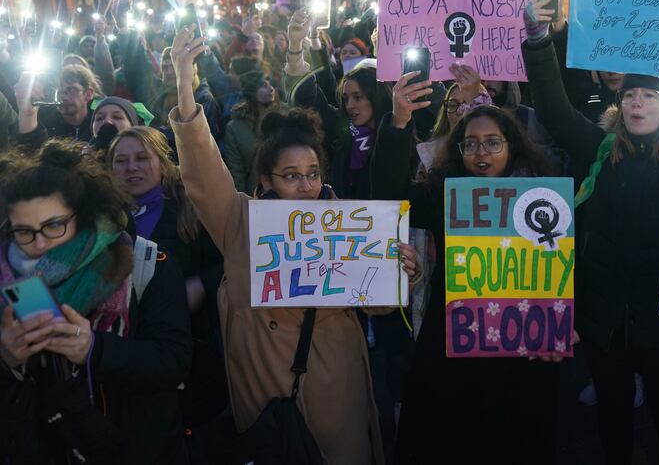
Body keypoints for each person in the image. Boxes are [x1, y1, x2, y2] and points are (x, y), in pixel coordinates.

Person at [166, 25, 419, 464]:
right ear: (265, 180)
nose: (306, 185)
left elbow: (376, 305)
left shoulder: (347, 221)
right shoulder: (240, 220)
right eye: (291, 175)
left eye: (313, 172)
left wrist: (403, 274)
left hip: (334, 380)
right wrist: (185, 87)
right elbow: (204, 172)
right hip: (265, 387)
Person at [522, 0, 659, 463]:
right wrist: (539, 42)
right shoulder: (598, 149)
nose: (638, 102)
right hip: (606, 324)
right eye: (631, 97)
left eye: (650, 96)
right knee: (613, 419)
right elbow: (555, 109)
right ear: (621, 106)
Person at [372, 80, 563, 464]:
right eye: (471, 143)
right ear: (458, 150)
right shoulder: (444, 194)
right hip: (452, 342)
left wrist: (560, 321)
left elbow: (559, 267)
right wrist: (397, 124)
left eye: (493, 142)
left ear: (512, 146)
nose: (481, 152)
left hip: (519, 345)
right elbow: (391, 191)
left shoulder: (542, 200)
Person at [0, 139, 191, 464]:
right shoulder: (7, 277)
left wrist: (95, 349)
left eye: (53, 225)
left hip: (133, 447)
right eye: (24, 232)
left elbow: (174, 360)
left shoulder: (144, 263)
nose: (40, 243)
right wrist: (7, 362)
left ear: (83, 214)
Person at [107, 126, 227, 453]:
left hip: (188, 354)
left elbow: (234, 260)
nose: (131, 167)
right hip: (125, 359)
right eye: (121, 160)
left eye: (142, 158)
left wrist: (200, 284)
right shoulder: (101, 220)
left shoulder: (190, 212)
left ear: (163, 163)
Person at [224, 71, 280, 193]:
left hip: (286, 193)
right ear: (252, 92)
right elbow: (236, 171)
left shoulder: (282, 116)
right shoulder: (235, 128)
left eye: (270, 84)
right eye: (263, 86)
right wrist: (243, 202)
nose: (271, 89)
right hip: (255, 194)